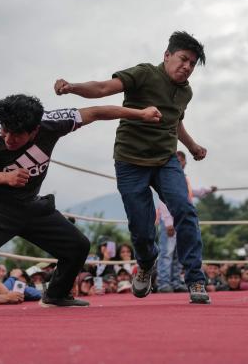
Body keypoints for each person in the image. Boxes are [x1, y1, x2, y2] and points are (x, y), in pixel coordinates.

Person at [0, 94, 162, 318]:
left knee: (78, 245)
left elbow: (96, 112)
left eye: (16, 135)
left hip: (30, 205)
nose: (8, 138)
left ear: (34, 131)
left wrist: (140, 113)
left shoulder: (53, 123)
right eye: (5, 131)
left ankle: (56, 295)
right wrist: (3, 177)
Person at [54, 31, 211, 304]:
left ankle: (195, 279)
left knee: (185, 209)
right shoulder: (144, 74)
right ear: (167, 55)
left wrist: (193, 146)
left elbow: (175, 122)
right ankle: (147, 264)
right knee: (142, 228)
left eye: (192, 64)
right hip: (130, 161)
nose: (187, 67)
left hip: (165, 160)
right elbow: (103, 88)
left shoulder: (186, 92)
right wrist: (72, 87)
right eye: (183, 59)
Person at [156, 150, 216, 293]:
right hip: (170, 220)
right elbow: (163, 201)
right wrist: (168, 222)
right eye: (178, 159)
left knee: (178, 252)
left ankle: (176, 281)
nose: (181, 162)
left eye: (182, 160)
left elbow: (193, 192)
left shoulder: (182, 178)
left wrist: (208, 190)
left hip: (181, 219)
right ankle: (164, 283)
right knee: (167, 253)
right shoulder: (168, 178)